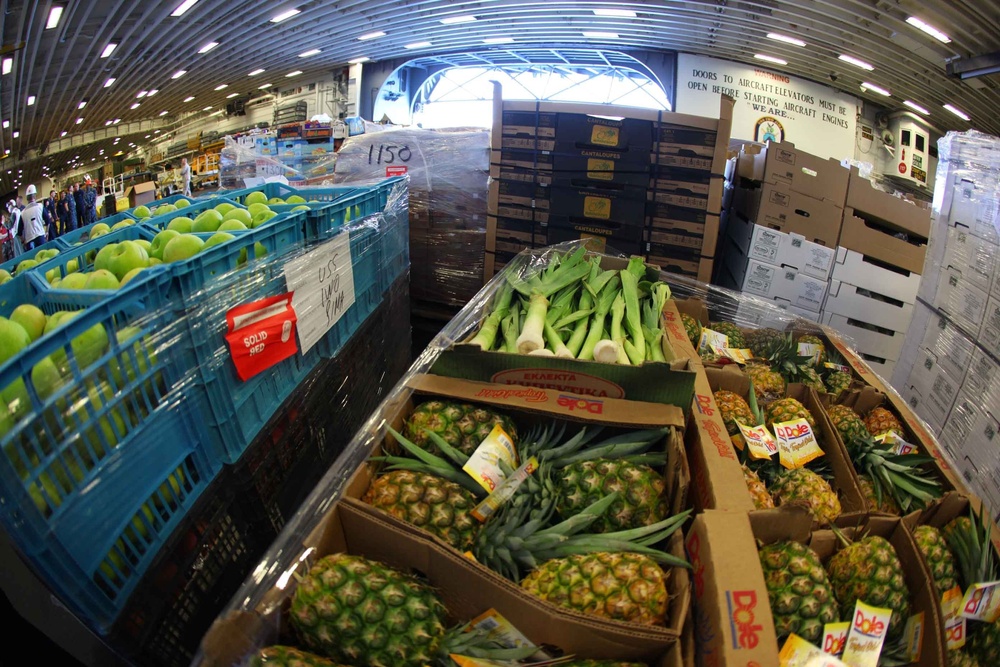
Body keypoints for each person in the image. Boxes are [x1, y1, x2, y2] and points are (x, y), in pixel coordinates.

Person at [20, 186, 46, 251]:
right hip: (40, 236)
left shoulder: (22, 213)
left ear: (27, 198)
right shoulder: (40, 207)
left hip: (29, 240)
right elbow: (48, 220)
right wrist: (47, 232)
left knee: (32, 258)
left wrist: (23, 240)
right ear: (34, 196)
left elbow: (19, 231)